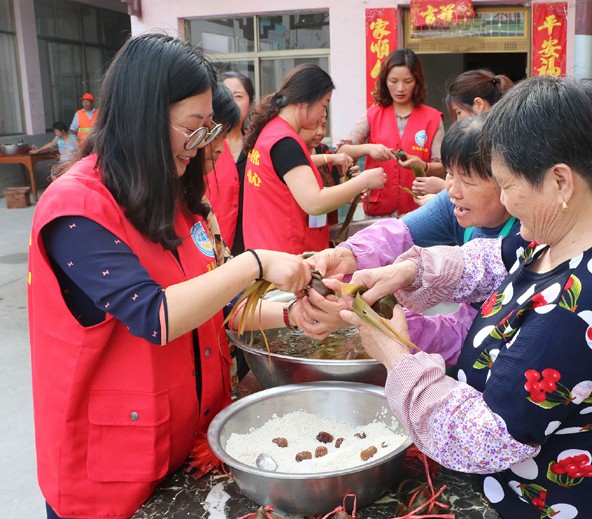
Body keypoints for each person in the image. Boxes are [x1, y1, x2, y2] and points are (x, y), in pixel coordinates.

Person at [338, 76, 592, 518]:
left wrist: (397, 358)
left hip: (543, 502)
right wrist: (408, 269)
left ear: (560, 182)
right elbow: (497, 258)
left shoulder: (578, 310)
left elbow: (484, 439)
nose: (507, 204)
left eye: (508, 185)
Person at [28, 33, 312, 519]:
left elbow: (215, 310)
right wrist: (255, 262)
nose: (202, 146)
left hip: (185, 444)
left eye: (211, 131)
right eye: (193, 128)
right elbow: (154, 314)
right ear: (144, 117)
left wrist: (295, 314)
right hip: (113, 472)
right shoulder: (77, 208)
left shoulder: (175, 199)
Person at [300, 115, 518, 359]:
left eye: (468, 181)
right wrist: (344, 255)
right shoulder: (453, 204)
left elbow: (467, 334)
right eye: (449, 174)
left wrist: (369, 319)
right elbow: (396, 234)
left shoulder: (527, 237)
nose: (452, 191)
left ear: (508, 181)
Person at [242, 63, 386, 255]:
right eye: (324, 105)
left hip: (269, 251)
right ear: (304, 102)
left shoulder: (271, 132)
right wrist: (364, 181)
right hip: (288, 256)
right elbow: (314, 202)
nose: (322, 115)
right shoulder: (285, 143)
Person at [337, 48, 445, 216]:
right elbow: (342, 150)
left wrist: (423, 166)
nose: (400, 88)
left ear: (417, 81)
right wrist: (368, 149)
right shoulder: (374, 114)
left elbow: (444, 168)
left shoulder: (433, 118)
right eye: (393, 81)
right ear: (384, 81)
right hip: (378, 210)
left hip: (419, 209)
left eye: (408, 81)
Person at [411, 69, 514, 199]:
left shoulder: (501, 143)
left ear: (478, 104)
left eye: (458, 112)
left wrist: (443, 188)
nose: (458, 122)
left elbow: (494, 192)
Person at [209, 71, 255, 254]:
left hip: (251, 240)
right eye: (228, 95)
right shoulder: (206, 147)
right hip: (217, 239)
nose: (233, 102)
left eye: (239, 96)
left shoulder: (257, 144)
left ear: (250, 102)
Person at [299, 112, 356, 225]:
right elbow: (300, 162)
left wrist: (354, 182)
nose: (320, 132)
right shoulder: (290, 153)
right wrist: (328, 158)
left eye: (324, 126)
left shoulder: (325, 150)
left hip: (328, 231)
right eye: (314, 126)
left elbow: (349, 198)